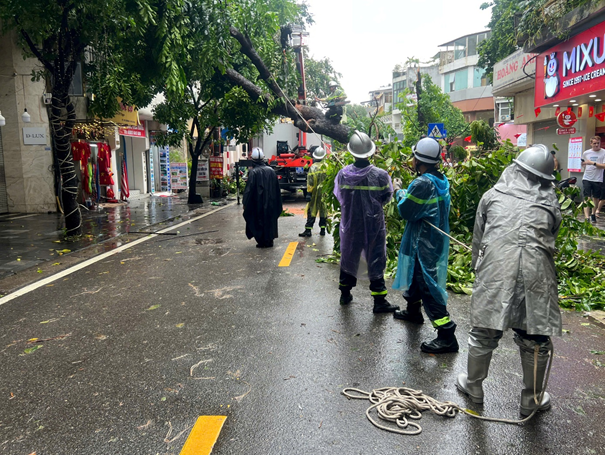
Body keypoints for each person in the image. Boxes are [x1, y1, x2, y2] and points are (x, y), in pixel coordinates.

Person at [456, 144, 562, 417]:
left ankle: (474, 387)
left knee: (483, 330)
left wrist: (476, 268)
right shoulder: (550, 201)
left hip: (494, 269)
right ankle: (532, 399)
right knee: (535, 335)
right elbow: (551, 234)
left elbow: (478, 239)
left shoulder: (491, 196)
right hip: (537, 273)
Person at [391, 137, 458, 354]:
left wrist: (398, 191)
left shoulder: (422, 183)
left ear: (419, 160)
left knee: (427, 284)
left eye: (414, 157)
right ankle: (413, 311)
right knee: (416, 276)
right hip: (433, 239)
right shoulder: (440, 179)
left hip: (424, 241)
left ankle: (446, 334)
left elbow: (406, 210)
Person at [334, 130, 397, 314]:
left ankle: (345, 294)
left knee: (349, 256)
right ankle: (379, 301)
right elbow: (386, 198)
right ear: (371, 152)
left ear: (351, 152)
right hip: (374, 225)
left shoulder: (343, 174)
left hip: (351, 224)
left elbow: (340, 197)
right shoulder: (381, 175)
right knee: (376, 258)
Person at [243, 147, 283, 248]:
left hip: (258, 203)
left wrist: (245, 203)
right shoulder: (271, 171)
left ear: (253, 159)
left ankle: (262, 241)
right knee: (270, 221)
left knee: (258, 221)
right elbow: (277, 189)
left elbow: (249, 190)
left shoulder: (253, 172)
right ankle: (269, 240)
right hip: (271, 202)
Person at [299, 147, 328, 237]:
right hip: (324, 193)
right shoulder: (327, 166)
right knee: (324, 210)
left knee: (311, 210)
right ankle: (323, 229)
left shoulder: (313, 167)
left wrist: (308, 193)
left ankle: (308, 230)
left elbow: (310, 182)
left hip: (314, 193)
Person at [581, 136, 605, 223]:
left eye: (598, 143)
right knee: (587, 197)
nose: (596, 145)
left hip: (598, 178)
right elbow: (583, 163)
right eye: (594, 143)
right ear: (591, 144)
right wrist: (583, 164)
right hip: (587, 177)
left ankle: (593, 214)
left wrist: (592, 163)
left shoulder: (603, 152)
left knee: (595, 198)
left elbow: (604, 166)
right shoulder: (586, 153)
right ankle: (587, 217)